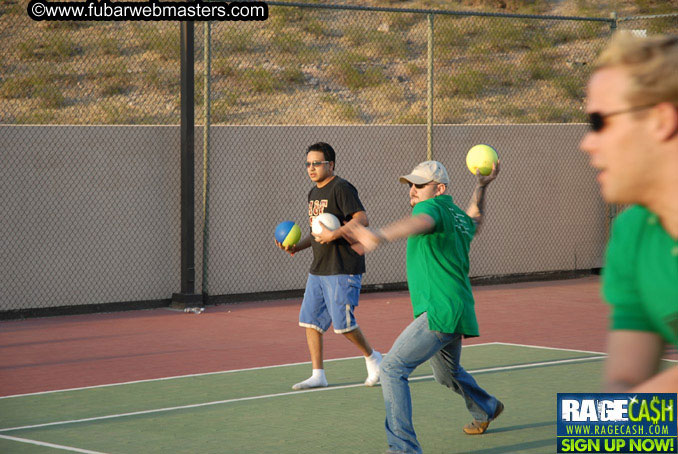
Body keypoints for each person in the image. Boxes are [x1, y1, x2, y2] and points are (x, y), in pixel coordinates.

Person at [344, 160, 503, 454]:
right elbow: (476, 219)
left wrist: (377, 235)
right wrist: (481, 187)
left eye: (419, 185)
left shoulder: (430, 209)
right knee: (446, 373)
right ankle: (487, 406)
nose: (413, 191)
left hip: (440, 309)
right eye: (411, 185)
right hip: (458, 307)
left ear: (439, 189)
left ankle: (403, 448)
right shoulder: (456, 215)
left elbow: (420, 222)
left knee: (391, 369)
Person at [579, 32, 678, 393]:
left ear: (660, 120)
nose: (586, 141)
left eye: (599, 122)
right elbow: (625, 380)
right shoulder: (634, 232)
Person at [275, 142, 382, 390]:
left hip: (343, 267)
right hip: (319, 267)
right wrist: (296, 247)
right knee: (310, 321)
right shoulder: (312, 194)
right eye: (308, 164)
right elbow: (317, 233)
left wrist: (335, 236)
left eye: (317, 163)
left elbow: (362, 219)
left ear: (330, 165)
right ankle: (318, 375)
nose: (311, 168)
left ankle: (373, 357)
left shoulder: (341, 188)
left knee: (343, 324)